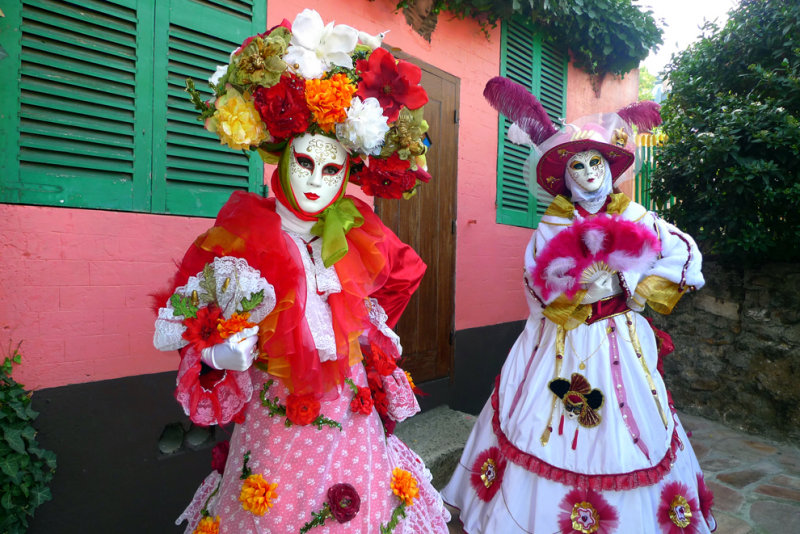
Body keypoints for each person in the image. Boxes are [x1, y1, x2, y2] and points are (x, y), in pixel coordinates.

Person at [152, 10, 449, 534]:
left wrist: (363, 326)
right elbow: (190, 318)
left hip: (349, 410)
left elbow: (404, 275)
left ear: (348, 171)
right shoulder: (242, 236)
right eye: (304, 163)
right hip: (275, 414)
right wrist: (218, 355)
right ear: (281, 159)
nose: (316, 180)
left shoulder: (357, 229)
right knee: (274, 511)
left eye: (332, 167)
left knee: (358, 508)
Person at [441, 77, 717, 534]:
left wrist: (628, 280)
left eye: (595, 163)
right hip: (562, 341)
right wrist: (577, 289)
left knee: (627, 427)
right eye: (577, 167)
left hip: (622, 339)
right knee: (551, 418)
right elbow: (538, 281)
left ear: (609, 168)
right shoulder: (553, 224)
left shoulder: (632, 215)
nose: (588, 173)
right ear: (564, 177)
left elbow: (684, 253)